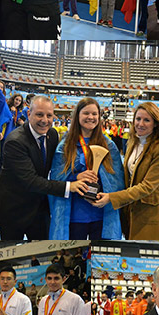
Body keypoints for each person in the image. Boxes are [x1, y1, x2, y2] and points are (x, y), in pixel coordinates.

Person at [0, 96, 95, 243]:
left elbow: (58, 166)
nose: (45, 120)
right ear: (29, 114)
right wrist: (69, 186)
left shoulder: (52, 134)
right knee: (10, 254)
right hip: (13, 210)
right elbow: (31, 181)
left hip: (39, 208)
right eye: (39, 114)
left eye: (49, 115)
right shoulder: (15, 142)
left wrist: (76, 176)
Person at [93, 103, 159, 242]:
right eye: (138, 119)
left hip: (151, 212)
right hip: (132, 208)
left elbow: (147, 186)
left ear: (155, 124)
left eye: (147, 120)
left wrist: (112, 197)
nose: (140, 124)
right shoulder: (133, 141)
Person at [49, 97, 124, 241]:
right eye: (86, 113)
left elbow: (117, 180)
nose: (90, 117)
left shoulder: (109, 146)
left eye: (94, 114)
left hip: (102, 216)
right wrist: (75, 178)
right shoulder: (65, 146)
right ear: (77, 115)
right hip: (74, 216)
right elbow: (56, 180)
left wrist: (107, 194)